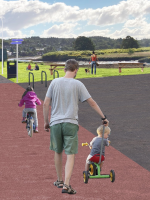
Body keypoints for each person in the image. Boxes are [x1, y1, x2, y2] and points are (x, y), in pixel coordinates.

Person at [43, 59, 109, 195]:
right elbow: (91, 102)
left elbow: (45, 103)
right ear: (76, 70)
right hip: (70, 123)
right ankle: (66, 184)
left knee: (58, 151)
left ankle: (59, 180)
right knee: (70, 154)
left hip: (55, 122)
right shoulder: (78, 84)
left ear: (64, 69)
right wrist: (103, 117)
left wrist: (46, 121)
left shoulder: (54, 82)